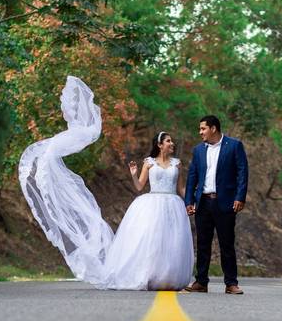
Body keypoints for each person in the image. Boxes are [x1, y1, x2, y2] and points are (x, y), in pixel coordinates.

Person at [18, 76, 193, 290]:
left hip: (174, 205)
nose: (172, 143)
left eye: (171, 141)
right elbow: (139, 187)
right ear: (159, 144)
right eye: (168, 141)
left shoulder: (177, 164)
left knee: (173, 242)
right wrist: (133, 173)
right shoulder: (148, 163)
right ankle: (149, 275)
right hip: (152, 204)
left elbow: (182, 187)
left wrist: (190, 201)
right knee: (151, 241)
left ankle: (170, 278)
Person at [183, 115, 248, 295]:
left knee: (226, 244)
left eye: (203, 129)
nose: (200, 132)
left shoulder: (234, 146)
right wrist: (189, 200)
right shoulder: (198, 150)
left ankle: (231, 283)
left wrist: (240, 197)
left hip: (225, 202)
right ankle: (201, 282)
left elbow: (242, 173)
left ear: (213, 128)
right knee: (202, 243)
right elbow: (192, 177)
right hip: (203, 202)